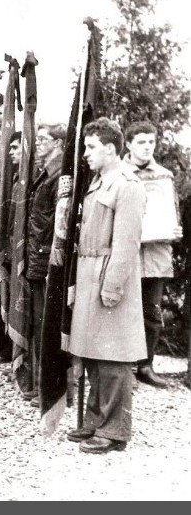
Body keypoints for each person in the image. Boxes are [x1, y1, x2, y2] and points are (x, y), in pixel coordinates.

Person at [66, 118, 147, 454]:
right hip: (90, 273)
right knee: (95, 352)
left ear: (111, 149)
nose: (85, 153)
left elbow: (126, 244)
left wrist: (112, 287)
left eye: (91, 147)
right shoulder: (100, 182)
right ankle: (96, 419)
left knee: (114, 355)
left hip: (111, 276)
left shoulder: (128, 186)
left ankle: (114, 430)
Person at [122, 121, 183, 388]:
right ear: (128, 145)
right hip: (128, 255)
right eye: (141, 142)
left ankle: (145, 366)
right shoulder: (119, 174)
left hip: (156, 255)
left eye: (151, 142)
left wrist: (175, 229)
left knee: (152, 313)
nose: (147, 147)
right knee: (124, 312)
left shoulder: (165, 177)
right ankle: (124, 369)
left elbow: (172, 213)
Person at [24, 123, 65, 405]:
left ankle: (51, 388)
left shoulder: (60, 178)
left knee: (48, 327)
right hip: (38, 258)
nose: (38, 144)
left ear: (59, 144)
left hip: (49, 260)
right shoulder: (45, 175)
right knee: (39, 324)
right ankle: (41, 383)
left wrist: (45, 255)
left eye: (43, 139)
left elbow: (57, 226)